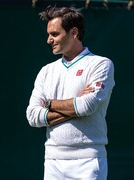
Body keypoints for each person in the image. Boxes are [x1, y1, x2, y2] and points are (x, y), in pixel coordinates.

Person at [26, 6, 115, 180]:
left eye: (54, 34)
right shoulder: (46, 71)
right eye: (49, 35)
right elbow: (32, 116)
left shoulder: (101, 64)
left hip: (89, 160)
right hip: (52, 161)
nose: (49, 40)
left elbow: (87, 106)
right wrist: (75, 104)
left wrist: (50, 104)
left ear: (73, 32)